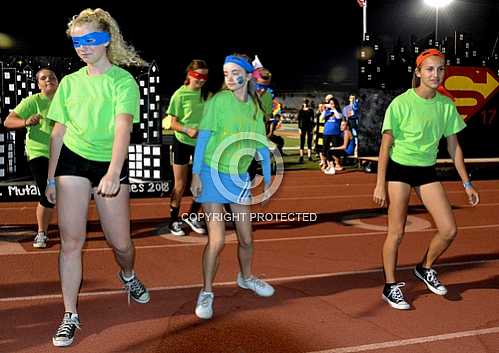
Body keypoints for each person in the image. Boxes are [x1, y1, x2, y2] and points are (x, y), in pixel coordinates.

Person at [45, 8, 150, 347]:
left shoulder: (122, 81)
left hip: (109, 163)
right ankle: (70, 314)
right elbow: (58, 132)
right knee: (71, 242)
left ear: (107, 40)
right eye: (77, 41)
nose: (83, 47)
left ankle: (129, 275)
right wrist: (50, 179)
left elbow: (123, 127)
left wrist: (114, 172)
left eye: (90, 40)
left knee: (120, 242)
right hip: (73, 161)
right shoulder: (71, 83)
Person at [373, 48, 480, 310]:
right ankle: (390, 286)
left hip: (426, 171)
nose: (436, 74)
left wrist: (467, 183)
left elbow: (454, 147)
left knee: (449, 230)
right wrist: (379, 184)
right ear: (418, 72)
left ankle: (424, 267)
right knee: (396, 233)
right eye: (430, 69)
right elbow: (385, 146)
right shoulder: (401, 103)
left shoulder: (445, 105)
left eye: (440, 69)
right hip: (399, 170)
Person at [190, 54, 275, 320]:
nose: (229, 77)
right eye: (225, 73)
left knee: (246, 238)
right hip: (211, 173)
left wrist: (269, 180)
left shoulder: (255, 107)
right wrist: (195, 174)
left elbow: (261, 145)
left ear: (248, 75)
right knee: (216, 240)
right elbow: (203, 137)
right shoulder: (218, 101)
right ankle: (206, 291)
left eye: (234, 72)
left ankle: (246, 277)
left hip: (238, 178)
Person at [3, 68, 59, 248]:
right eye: (44, 78)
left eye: (52, 77)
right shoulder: (32, 101)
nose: (48, 80)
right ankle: (41, 233)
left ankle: (69, 229)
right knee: (48, 193)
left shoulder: (66, 101)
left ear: (58, 81)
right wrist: (25, 122)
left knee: (68, 194)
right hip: (39, 153)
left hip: (63, 153)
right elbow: (8, 121)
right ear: (39, 84)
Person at [163, 59, 209, 236]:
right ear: (189, 74)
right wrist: (186, 129)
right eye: (198, 76)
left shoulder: (207, 94)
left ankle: (191, 216)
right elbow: (171, 122)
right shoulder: (179, 95)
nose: (202, 80)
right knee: (180, 185)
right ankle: (173, 221)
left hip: (202, 145)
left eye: (205, 76)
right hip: (182, 142)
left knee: (202, 185)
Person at [320, 97, 343, 173]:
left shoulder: (338, 111)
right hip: (326, 133)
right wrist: (325, 110)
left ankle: (337, 164)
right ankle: (328, 164)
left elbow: (339, 117)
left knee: (335, 149)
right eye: (330, 103)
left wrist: (334, 109)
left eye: (332, 103)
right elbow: (321, 118)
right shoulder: (327, 111)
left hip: (335, 133)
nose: (331, 105)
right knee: (325, 149)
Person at [297, 98, 315, 163]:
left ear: (308, 103)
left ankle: (309, 156)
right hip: (302, 127)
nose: (305, 103)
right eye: (304, 102)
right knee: (302, 141)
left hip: (309, 127)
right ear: (303, 103)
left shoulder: (311, 110)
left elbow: (312, 120)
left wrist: (313, 128)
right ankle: (301, 156)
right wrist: (299, 128)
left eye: (306, 102)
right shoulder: (300, 111)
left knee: (309, 141)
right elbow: (299, 120)